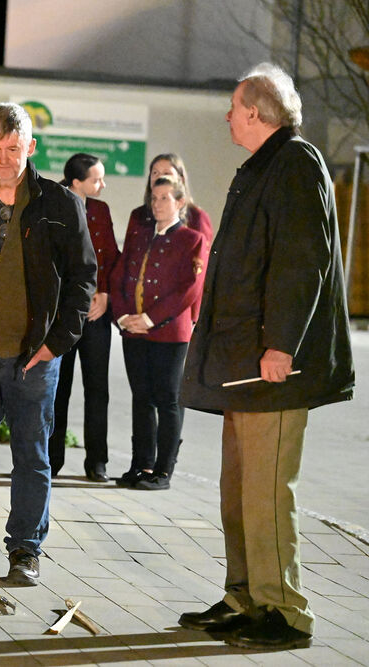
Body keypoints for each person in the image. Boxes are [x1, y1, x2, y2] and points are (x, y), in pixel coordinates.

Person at [178, 62, 354, 651]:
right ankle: (246, 598)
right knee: (239, 492)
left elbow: (301, 262)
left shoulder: (296, 163)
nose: (227, 115)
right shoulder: (264, 166)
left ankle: (286, 613)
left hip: (274, 368)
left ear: (256, 113)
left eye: (233, 107)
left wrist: (282, 343)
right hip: (244, 366)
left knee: (267, 495)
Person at [0, 103, 96, 585]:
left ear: (31, 146)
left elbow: (83, 281)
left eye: (13, 148)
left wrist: (54, 345)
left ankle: (25, 550)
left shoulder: (61, 205)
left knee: (31, 458)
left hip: (34, 360)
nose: (3, 159)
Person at [110, 176, 205, 491]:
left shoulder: (192, 239)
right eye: (154, 198)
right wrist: (124, 316)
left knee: (168, 400)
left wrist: (150, 319)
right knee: (141, 399)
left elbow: (190, 289)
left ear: (180, 202)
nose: (157, 204)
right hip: (133, 331)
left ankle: (163, 471)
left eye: (165, 198)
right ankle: (141, 465)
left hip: (169, 334)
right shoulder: (139, 236)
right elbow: (119, 275)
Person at [48, 153, 119, 482]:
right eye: (96, 179)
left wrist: (105, 294)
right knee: (58, 388)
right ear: (76, 182)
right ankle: (51, 459)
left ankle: (97, 461)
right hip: (63, 314)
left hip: (95, 314)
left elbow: (111, 256)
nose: (103, 185)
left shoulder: (101, 210)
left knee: (98, 389)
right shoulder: (53, 206)